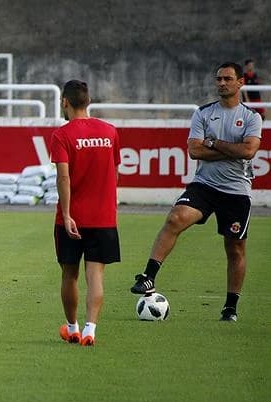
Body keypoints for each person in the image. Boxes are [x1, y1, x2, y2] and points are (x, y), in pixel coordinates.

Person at [131, 62, 263, 322]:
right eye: (218, 79)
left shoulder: (251, 117)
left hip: (236, 191)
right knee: (175, 218)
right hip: (204, 185)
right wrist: (229, 149)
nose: (222, 83)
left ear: (240, 83)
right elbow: (195, 151)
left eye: (227, 79)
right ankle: (148, 277)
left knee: (235, 249)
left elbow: (248, 151)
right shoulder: (203, 113)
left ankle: (230, 307)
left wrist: (213, 143)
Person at [50, 80, 121, 347]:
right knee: (95, 276)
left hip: (72, 217)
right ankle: (91, 330)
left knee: (70, 275)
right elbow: (115, 173)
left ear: (65, 102)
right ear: (88, 101)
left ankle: (72, 328)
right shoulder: (110, 132)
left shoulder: (62, 135)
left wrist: (67, 215)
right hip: (103, 217)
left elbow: (64, 178)